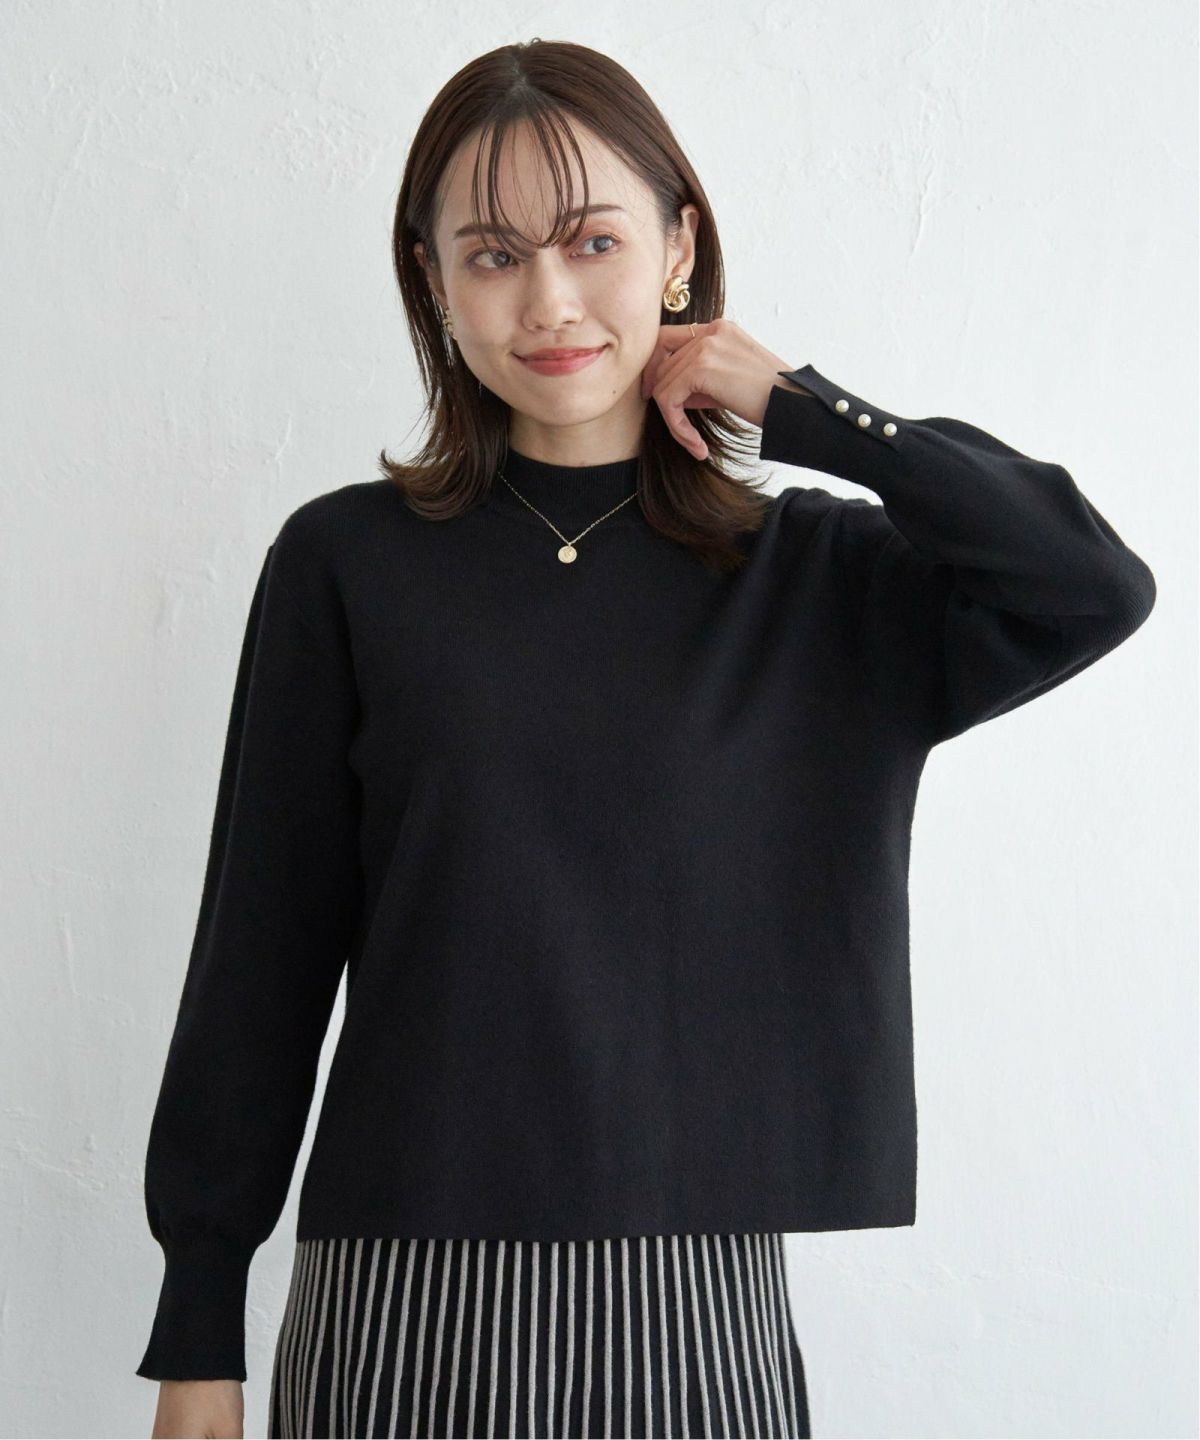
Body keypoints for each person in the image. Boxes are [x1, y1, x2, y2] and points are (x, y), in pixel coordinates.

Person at [135, 38, 1156, 1440]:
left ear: (679, 250)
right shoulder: (347, 564)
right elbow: (261, 952)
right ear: (433, 282)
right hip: (398, 1295)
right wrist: (199, 1323)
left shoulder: (813, 580)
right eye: (493, 255)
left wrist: (806, 407)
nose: (549, 300)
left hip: (696, 1303)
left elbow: (1092, 585)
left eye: (594, 241)